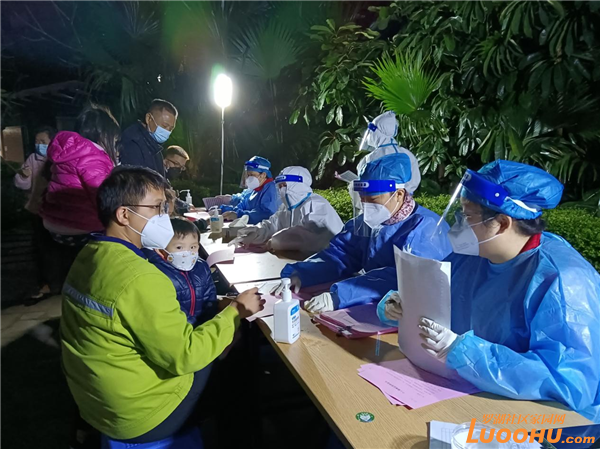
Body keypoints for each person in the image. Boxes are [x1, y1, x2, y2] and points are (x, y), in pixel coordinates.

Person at [379, 160, 600, 423]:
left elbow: (569, 381)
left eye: (467, 217)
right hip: (465, 391)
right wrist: (402, 304)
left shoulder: (562, 280)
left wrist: (465, 352)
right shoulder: (472, 255)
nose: (458, 226)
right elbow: (437, 300)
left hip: (546, 421)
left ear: (503, 223)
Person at [60, 166, 265, 443]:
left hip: (97, 398)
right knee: (237, 366)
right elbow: (186, 355)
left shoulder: (90, 254)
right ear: (124, 215)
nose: (165, 217)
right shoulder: (139, 276)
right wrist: (235, 312)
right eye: (157, 208)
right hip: (141, 413)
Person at [277, 152, 452, 313]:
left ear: (399, 194)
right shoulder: (367, 223)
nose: (367, 207)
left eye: (373, 199)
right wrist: (302, 273)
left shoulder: (427, 229)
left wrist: (340, 295)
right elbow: (340, 255)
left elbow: (404, 279)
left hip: (412, 314)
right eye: (363, 200)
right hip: (375, 305)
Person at [39, 105, 119, 293]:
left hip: (54, 226)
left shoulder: (65, 152)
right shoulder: (93, 156)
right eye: (114, 140)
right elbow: (102, 196)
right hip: (81, 228)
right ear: (104, 135)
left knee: (72, 275)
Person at [231, 166, 344, 254]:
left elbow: (310, 237)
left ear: (298, 184)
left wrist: (276, 241)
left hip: (334, 265)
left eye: (284, 185)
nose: (282, 190)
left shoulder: (316, 205)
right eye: (279, 186)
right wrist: (256, 232)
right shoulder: (286, 209)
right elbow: (272, 225)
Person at [144, 217, 218, 327]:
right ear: (160, 250)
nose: (187, 252)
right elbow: (170, 310)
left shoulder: (201, 267)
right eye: (179, 247)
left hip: (202, 328)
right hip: (178, 328)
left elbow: (210, 297)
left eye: (193, 247)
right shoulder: (157, 272)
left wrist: (209, 323)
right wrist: (194, 326)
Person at [14, 125, 57, 303]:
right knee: (40, 248)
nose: (39, 144)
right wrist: (24, 176)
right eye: (36, 141)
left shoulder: (58, 158)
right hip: (37, 210)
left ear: (52, 142)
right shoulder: (32, 159)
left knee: (54, 247)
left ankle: (56, 282)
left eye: (43, 141)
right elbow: (22, 184)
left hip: (55, 211)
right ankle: (45, 284)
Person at [347, 111, 421, 215]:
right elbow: (413, 182)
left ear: (377, 132)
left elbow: (363, 184)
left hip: (374, 209)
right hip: (404, 209)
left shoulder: (369, 158)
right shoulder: (408, 155)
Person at [120, 99, 178, 176]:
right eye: (164, 126)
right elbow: (134, 179)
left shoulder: (153, 145)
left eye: (171, 129)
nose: (167, 132)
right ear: (149, 118)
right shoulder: (132, 141)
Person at [220, 156, 279, 225]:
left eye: (251, 174)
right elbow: (242, 206)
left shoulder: (271, 190)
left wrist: (238, 215)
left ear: (263, 175)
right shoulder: (254, 189)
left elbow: (265, 214)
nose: (248, 178)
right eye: (248, 175)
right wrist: (223, 210)